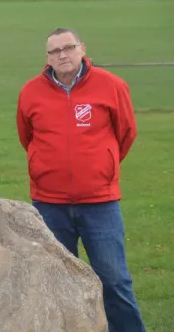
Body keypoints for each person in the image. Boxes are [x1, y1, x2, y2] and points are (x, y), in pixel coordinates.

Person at [16, 27, 145, 332]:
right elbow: (27, 137)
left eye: (68, 47)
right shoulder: (30, 91)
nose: (62, 55)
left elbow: (126, 133)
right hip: (49, 204)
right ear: (46, 57)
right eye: (54, 51)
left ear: (82, 49)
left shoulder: (111, 86)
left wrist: (102, 166)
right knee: (57, 281)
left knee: (114, 279)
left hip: (100, 202)